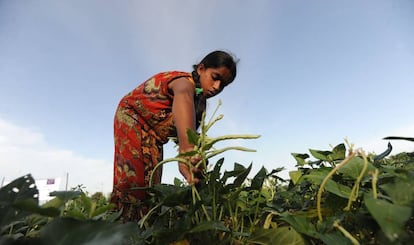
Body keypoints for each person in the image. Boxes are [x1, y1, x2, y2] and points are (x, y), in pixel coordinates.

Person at [110, 50, 238, 222]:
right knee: (134, 185)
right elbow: (183, 96)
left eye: (223, 85)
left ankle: (143, 229)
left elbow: (187, 135)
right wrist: (187, 150)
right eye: (215, 77)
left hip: (153, 136)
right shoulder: (184, 82)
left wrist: (194, 161)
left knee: (151, 184)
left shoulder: (198, 104)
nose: (217, 87)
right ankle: (122, 230)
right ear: (201, 69)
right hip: (132, 119)